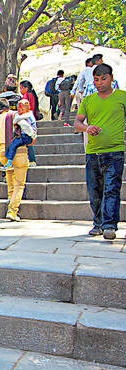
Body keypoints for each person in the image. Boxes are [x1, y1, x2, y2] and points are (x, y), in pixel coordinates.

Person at [74, 63, 126, 240]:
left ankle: (109, 225)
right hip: (93, 153)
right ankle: (98, 224)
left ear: (111, 78)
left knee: (112, 187)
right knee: (95, 191)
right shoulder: (88, 100)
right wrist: (87, 128)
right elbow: (77, 123)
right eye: (96, 79)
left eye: (103, 78)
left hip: (115, 152)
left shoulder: (122, 97)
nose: (100, 82)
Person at [0, 98, 29, 222]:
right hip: (19, 151)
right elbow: (27, 131)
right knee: (19, 184)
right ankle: (12, 210)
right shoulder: (15, 115)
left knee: (10, 182)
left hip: (4, 153)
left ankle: (11, 204)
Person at [3, 99, 38, 171]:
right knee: (29, 146)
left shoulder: (22, 119)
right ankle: (32, 161)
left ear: (26, 109)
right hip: (30, 135)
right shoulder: (30, 115)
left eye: (21, 109)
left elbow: (27, 128)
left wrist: (33, 136)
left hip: (27, 135)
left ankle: (9, 161)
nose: (19, 111)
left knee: (13, 144)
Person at [19, 80, 41, 166]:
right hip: (31, 119)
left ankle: (31, 160)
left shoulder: (26, 96)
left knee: (28, 140)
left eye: (21, 88)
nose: (20, 90)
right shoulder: (32, 95)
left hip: (26, 119)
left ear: (26, 88)